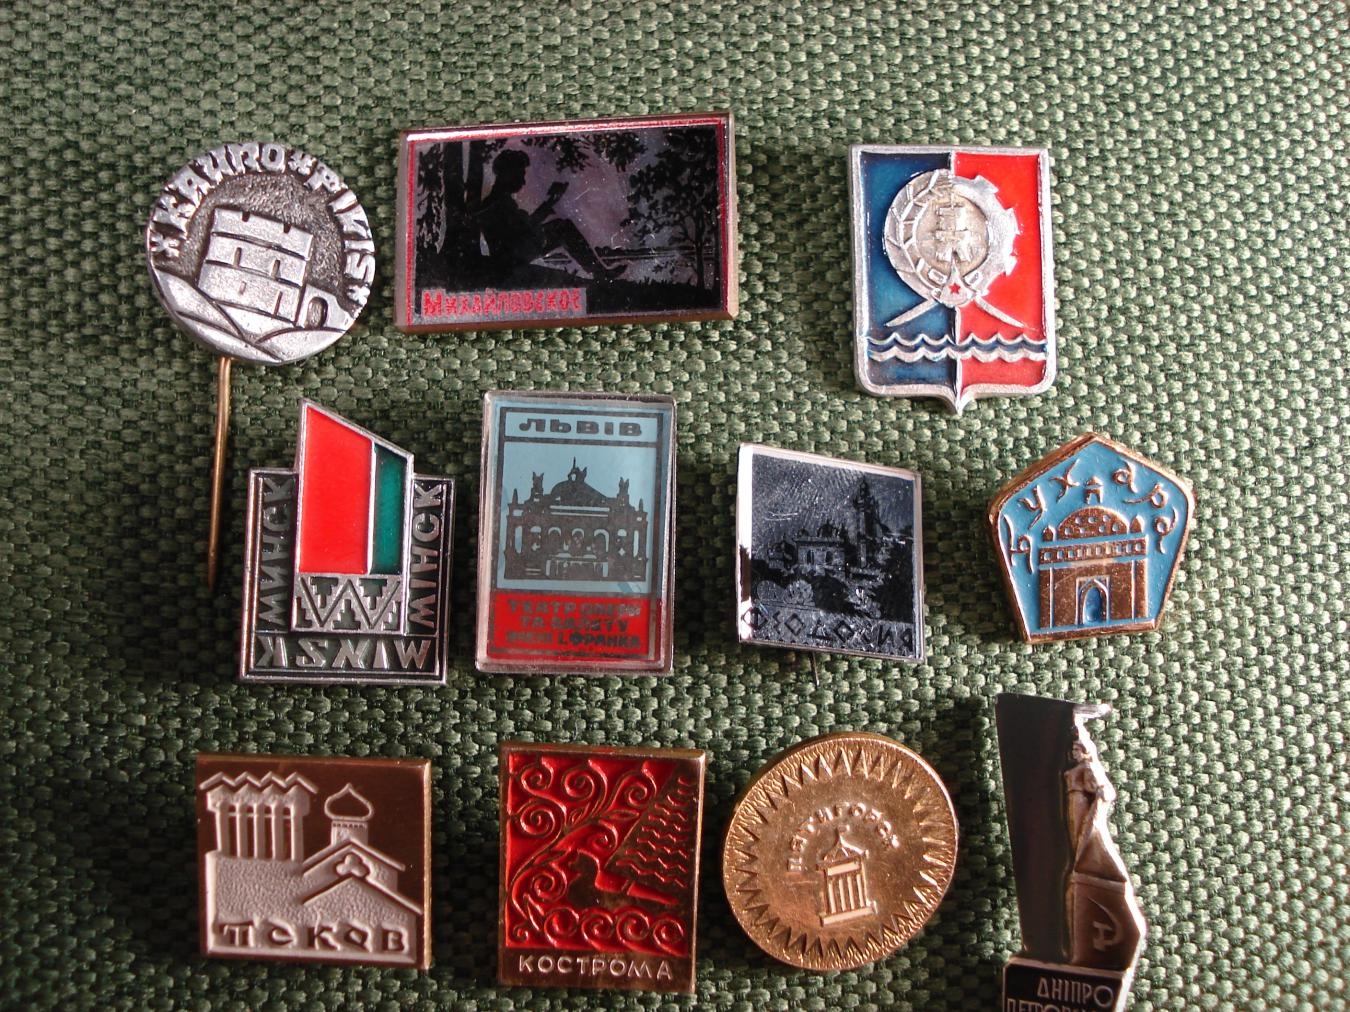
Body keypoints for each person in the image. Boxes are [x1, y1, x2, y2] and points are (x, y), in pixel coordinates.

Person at [476, 149, 625, 282]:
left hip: (514, 253)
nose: (523, 181)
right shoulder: (497, 203)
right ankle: (599, 272)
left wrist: (549, 203)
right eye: (520, 175)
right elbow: (521, 231)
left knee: (561, 227)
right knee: (562, 228)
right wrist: (549, 203)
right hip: (510, 259)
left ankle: (599, 271)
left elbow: (522, 229)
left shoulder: (499, 200)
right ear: (507, 174)